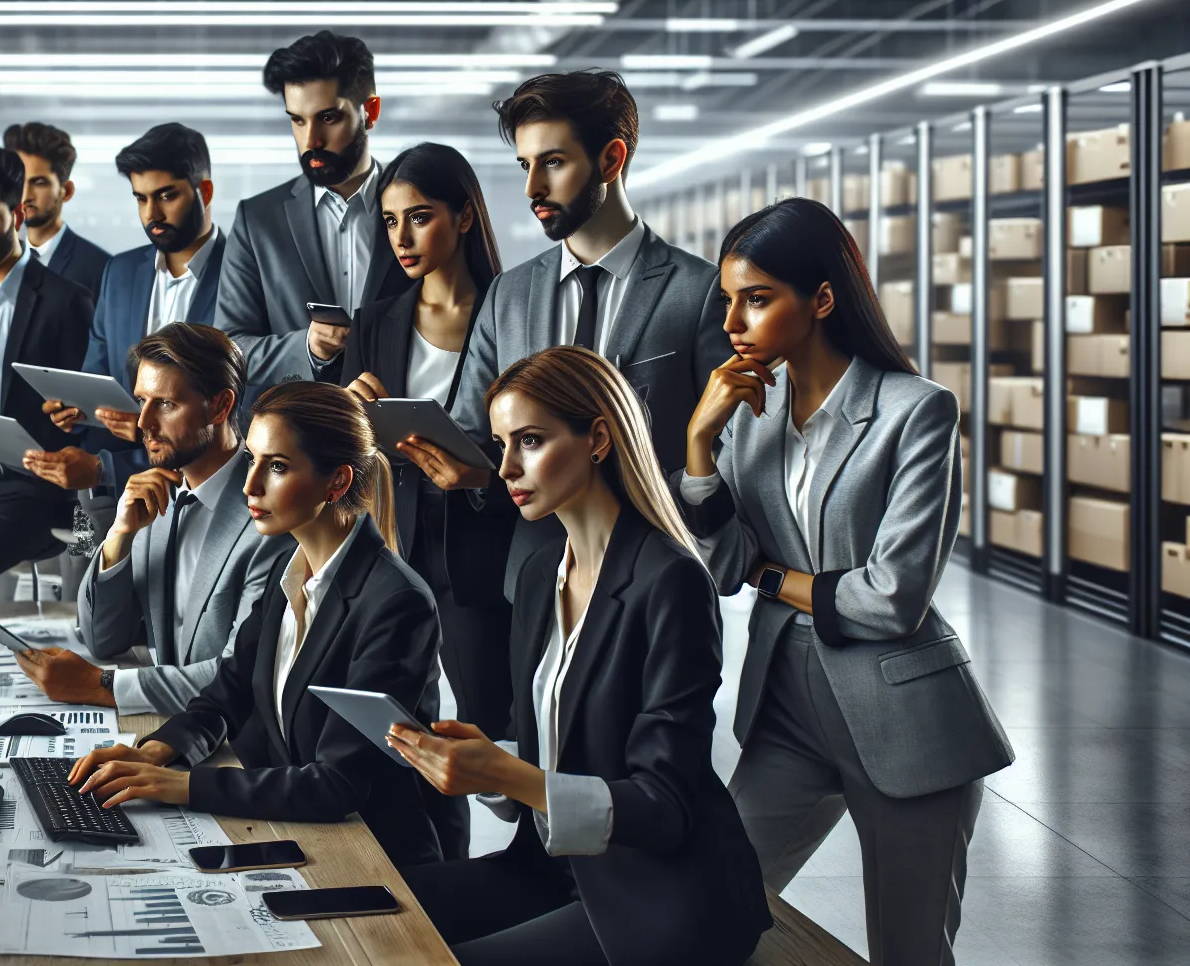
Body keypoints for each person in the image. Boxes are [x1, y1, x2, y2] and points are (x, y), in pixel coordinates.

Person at [674, 198, 1012, 966]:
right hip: (787, 715)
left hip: (904, 720)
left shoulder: (915, 412)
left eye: (756, 299)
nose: (733, 322)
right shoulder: (752, 416)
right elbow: (724, 566)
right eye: (728, 300)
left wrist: (772, 574)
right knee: (709, 908)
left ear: (822, 299)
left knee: (908, 951)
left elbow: (892, 597)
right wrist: (700, 439)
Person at [393, 346, 770, 966]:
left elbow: (665, 808)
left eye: (530, 441)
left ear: (597, 438)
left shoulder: (670, 580)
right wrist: (481, 761)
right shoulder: (542, 574)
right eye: (500, 444)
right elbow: (555, 758)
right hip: (549, 870)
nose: (507, 467)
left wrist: (502, 774)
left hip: (658, 895)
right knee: (374, 908)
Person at [67, 381, 457, 868]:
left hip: (379, 857)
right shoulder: (286, 568)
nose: (250, 486)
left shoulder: (397, 602)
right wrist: (155, 752)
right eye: (251, 460)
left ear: (336, 482)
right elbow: (227, 691)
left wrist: (180, 785)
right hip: (301, 830)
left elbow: (338, 783)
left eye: (276, 467)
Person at [425, 70, 731, 598]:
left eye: (554, 162)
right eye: (525, 165)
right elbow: (473, 432)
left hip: (657, 578)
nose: (532, 188)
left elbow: (730, 450)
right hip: (536, 579)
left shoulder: (699, 291)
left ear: (612, 159)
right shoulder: (508, 296)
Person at [325, 142, 516, 739]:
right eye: (389, 221)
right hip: (392, 538)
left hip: (479, 543)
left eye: (419, 216)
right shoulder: (376, 320)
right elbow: (344, 452)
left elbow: (531, 441)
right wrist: (349, 411)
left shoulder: (510, 315)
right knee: (391, 720)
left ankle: (519, 819)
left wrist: (481, 473)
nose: (401, 238)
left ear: (463, 216)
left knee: (491, 719)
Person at [16, 323, 291, 714]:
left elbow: (238, 677)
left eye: (165, 404)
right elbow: (103, 640)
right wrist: (118, 537)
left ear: (220, 406)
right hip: (174, 723)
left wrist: (102, 686)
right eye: (141, 400)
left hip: (233, 741)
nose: (142, 423)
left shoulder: (270, 514)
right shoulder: (157, 496)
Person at [24, 123, 228, 502]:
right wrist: (75, 408)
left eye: (167, 196)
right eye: (141, 198)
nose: (153, 213)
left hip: (209, 489)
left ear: (205, 191)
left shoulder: (241, 274)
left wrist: (148, 430)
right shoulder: (119, 273)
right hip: (118, 492)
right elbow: (96, 375)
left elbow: (243, 408)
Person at [214, 31, 413, 399]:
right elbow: (229, 348)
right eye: (298, 120)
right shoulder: (257, 221)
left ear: (370, 112)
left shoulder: (421, 210)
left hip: (402, 438)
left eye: (328, 118)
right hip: (294, 440)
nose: (311, 141)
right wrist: (306, 348)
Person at [0, 146, 94, 594]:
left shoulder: (66, 301)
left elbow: (88, 421)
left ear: (19, 214)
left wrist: (72, 417)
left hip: (27, 492)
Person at [3, 121, 111, 300]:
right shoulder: (0, 262)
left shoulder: (101, 268)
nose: (25, 195)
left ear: (66, 191)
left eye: (39, 183)